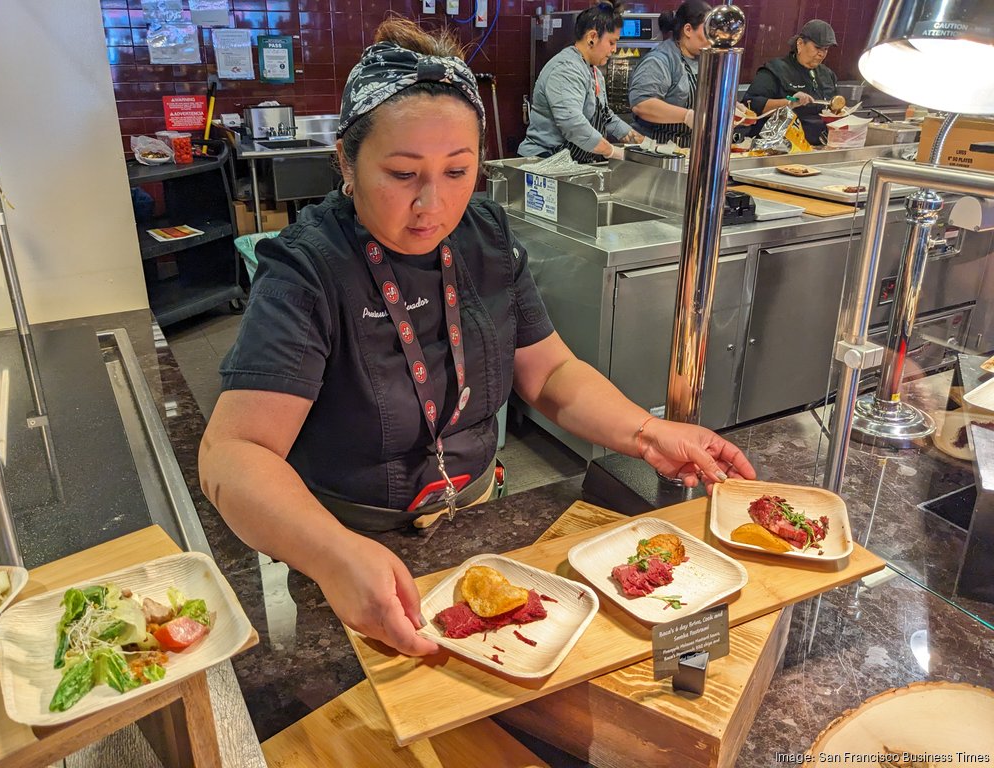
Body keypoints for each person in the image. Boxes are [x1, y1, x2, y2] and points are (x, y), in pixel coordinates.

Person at [199, 18, 756, 658]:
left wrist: (645, 431)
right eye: (403, 175)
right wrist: (334, 556)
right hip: (353, 551)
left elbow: (546, 374)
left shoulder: (484, 237)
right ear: (346, 163)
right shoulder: (308, 270)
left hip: (485, 521)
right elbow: (232, 452)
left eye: (458, 171)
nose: (432, 206)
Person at [517, 1, 644, 162]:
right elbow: (573, 125)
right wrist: (612, 151)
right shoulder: (565, 70)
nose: (614, 49)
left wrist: (644, 145)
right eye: (611, 42)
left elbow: (606, 118)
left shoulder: (594, 72)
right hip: (543, 162)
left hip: (568, 162)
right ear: (592, 37)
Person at [627, 1, 711, 147]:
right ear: (688, 30)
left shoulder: (704, 60)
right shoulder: (660, 60)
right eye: (708, 31)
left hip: (690, 150)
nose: (712, 38)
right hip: (657, 151)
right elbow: (642, 105)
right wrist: (687, 116)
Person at [743, 19, 839, 146]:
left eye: (826, 49)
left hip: (818, 147)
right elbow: (751, 105)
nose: (821, 53)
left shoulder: (828, 74)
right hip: (779, 148)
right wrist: (789, 102)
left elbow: (835, 109)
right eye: (817, 47)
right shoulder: (775, 70)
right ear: (800, 44)